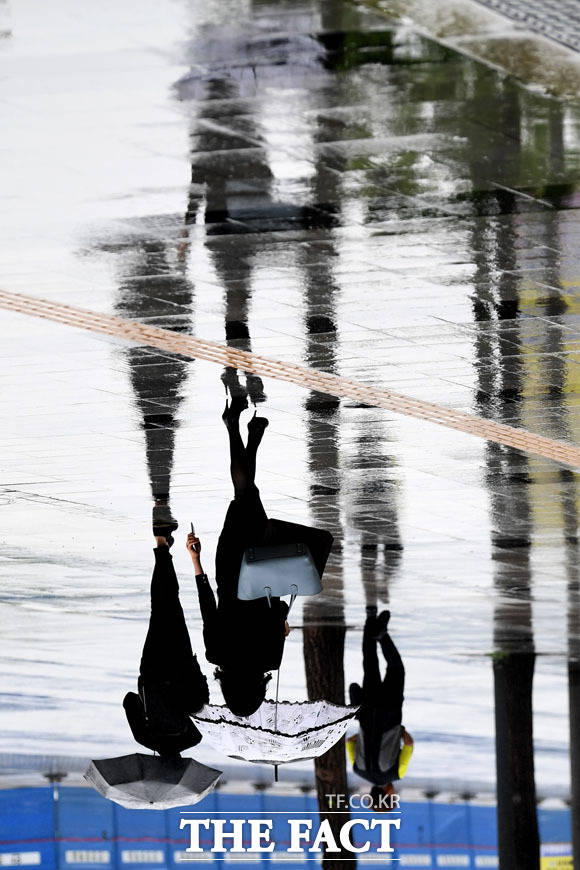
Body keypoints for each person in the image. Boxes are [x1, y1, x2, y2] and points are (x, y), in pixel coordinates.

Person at [188, 394, 289, 718]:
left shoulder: (270, 659)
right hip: (229, 567)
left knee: (247, 495)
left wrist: (281, 624)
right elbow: (207, 606)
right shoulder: (216, 654)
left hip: (263, 569)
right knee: (245, 495)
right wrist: (195, 560)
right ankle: (245, 432)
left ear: (257, 691)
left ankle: (240, 429)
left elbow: (278, 610)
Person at [123, 526, 209, 756]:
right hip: (152, 670)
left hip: (182, 664)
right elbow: (129, 700)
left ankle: (163, 548)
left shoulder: (193, 737)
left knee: (170, 604)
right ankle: (162, 546)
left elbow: (202, 700)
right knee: (159, 607)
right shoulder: (145, 738)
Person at [346, 607, 414, 809]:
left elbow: (409, 743)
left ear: (386, 794)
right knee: (370, 662)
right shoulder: (358, 769)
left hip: (391, 711)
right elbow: (350, 741)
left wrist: (400, 732)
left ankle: (382, 635)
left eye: (393, 797)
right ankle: (370, 619)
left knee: (396, 668)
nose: (395, 793)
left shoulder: (397, 773)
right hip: (368, 710)